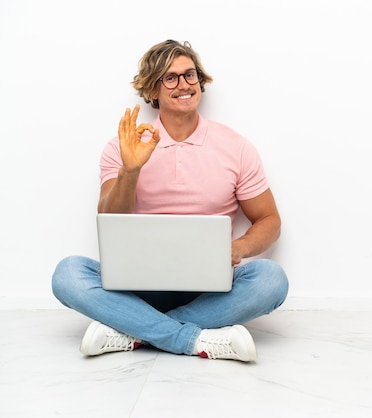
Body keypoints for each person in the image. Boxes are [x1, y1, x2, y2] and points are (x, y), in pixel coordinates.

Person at [51, 40, 288, 362]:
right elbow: (109, 219)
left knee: (271, 280)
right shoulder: (123, 147)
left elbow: (269, 221)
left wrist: (238, 248)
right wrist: (130, 169)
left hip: (211, 286)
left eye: (190, 75)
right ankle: (192, 338)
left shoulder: (236, 147)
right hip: (137, 285)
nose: (184, 85)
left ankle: (130, 330)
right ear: (153, 89)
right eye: (170, 78)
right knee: (68, 274)